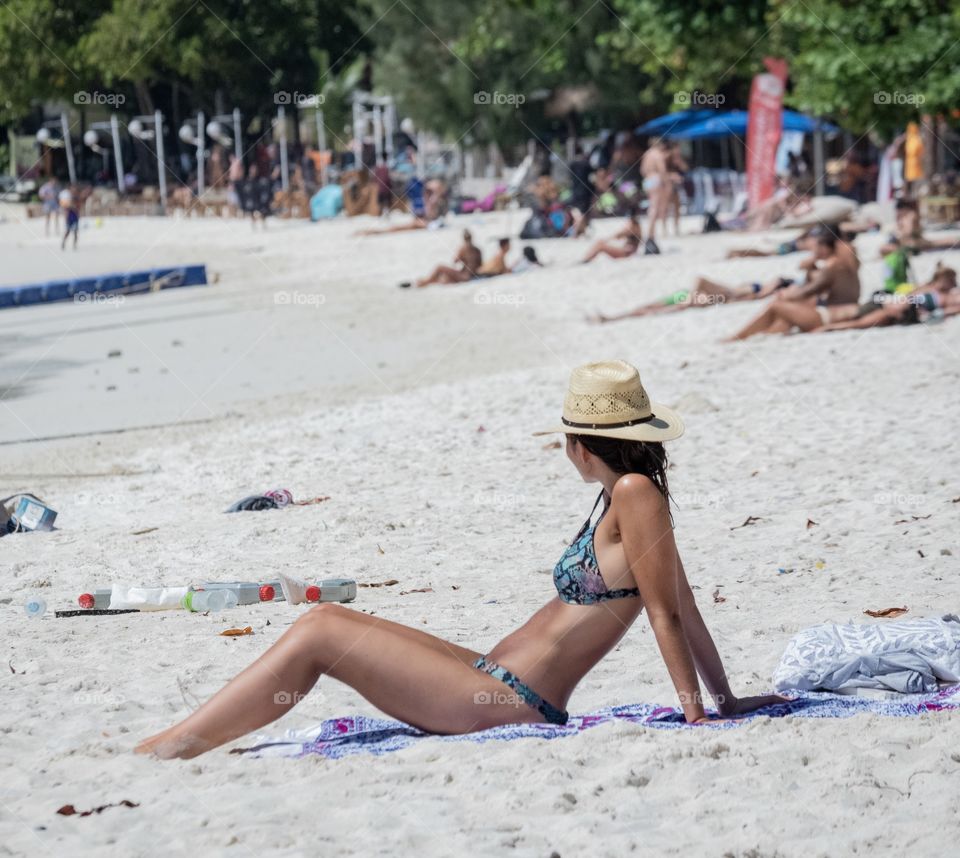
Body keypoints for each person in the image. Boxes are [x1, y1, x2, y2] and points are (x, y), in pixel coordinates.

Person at [135, 360, 790, 759]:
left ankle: (176, 746)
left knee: (319, 632)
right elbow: (684, 601)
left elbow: (667, 615)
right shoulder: (624, 498)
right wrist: (724, 697)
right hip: (493, 677)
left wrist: (698, 712)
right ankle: (178, 739)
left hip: (513, 700)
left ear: (579, 446)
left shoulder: (633, 492)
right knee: (325, 621)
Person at [725, 233, 862, 339]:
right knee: (786, 313)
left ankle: (738, 337)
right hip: (836, 310)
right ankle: (763, 335)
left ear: (825, 248)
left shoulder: (832, 268)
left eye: (815, 248)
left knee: (777, 305)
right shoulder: (843, 266)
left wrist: (787, 294)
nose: (812, 251)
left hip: (828, 316)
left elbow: (808, 291)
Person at [818, 265, 960, 332]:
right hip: (890, 303)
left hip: (898, 312)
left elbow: (946, 311)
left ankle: (830, 327)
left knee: (859, 323)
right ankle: (826, 321)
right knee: (856, 313)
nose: (951, 283)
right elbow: (908, 296)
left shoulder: (950, 297)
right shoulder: (927, 287)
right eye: (949, 279)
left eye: (951, 280)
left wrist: (929, 314)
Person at [404, 229, 482, 288]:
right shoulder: (478, 250)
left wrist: (463, 257)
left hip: (464, 276)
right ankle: (422, 282)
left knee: (440, 267)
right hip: (472, 276)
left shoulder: (463, 248)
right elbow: (480, 265)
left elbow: (455, 261)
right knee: (445, 279)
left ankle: (425, 282)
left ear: (464, 238)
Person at [640, 138, 670, 248]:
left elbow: (642, 170)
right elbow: (662, 170)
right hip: (655, 179)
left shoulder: (646, 154)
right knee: (656, 207)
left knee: (652, 206)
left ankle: (653, 231)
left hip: (647, 181)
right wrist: (666, 182)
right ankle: (653, 232)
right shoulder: (657, 154)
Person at [60, 186, 79, 251]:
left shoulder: (76, 199)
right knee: (68, 232)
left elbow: (77, 209)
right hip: (69, 218)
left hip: (75, 218)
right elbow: (66, 210)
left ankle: (74, 245)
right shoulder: (68, 200)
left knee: (75, 232)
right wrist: (66, 218)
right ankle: (63, 243)